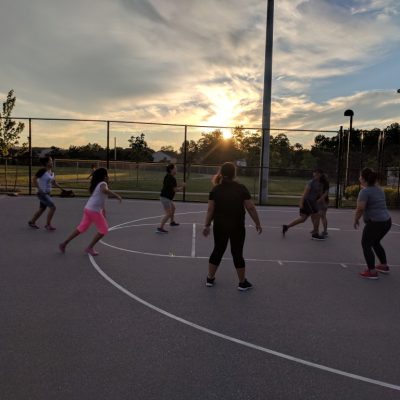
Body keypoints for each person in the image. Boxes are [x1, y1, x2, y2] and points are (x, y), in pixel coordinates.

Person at [202, 162, 262, 291]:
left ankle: (210, 279)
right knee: (237, 253)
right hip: (237, 227)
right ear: (234, 174)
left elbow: (210, 210)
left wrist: (206, 225)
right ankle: (242, 283)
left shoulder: (215, 189)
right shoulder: (241, 188)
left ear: (221, 173)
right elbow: (250, 207)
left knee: (218, 250)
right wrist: (257, 222)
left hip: (220, 226)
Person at [59, 168, 122, 256]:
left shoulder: (98, 184)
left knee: (81, 228)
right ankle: (89, 247)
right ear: (104, 176)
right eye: (107, 175)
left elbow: (100, 198)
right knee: (104, 229)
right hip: (93, 210)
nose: (109, 177)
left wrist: (103, 210)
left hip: (88, 208)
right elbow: (104, 191)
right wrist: (117, 196)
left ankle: (64, 243)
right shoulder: (103, 184)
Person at [354, 168, 391, 279]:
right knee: (375, 242)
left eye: (360, 176)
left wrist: (356, 219)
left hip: (375, 223)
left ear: (363, 178)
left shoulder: (364, 192)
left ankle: (372, 271)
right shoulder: (379, 189)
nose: (359, 178)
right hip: (387, 221)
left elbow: (360, 208)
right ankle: (383, 266)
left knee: (366, 244)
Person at [282, 168, 325, 240]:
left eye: (318, 173)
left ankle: (286, 227)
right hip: (307, 202)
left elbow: (320, 194)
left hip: (312, 203)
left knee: (303, 219)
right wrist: (301, 203)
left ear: (321, 174)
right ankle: (315, 234)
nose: (316, 174)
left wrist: (323, 203)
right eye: (315, 173)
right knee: (317, 215)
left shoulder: (320, 184)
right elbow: (304, 194)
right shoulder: (311, 182)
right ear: (313, 174)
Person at [28, 156, 65, 230]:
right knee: (53, 207)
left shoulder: (51, 172)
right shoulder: (42, 170)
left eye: (52, 161)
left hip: (47, 193)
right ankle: (48, 225)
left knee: (42, 209)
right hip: (42, 193)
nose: (52, 162)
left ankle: (32, 222)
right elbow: (34, 179)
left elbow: (53, 182)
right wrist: (39, 189)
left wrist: (62, 189)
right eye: (50, 161)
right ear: (46, 163)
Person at [156, 164, 185, 233]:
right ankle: (160, 228)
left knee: (173, 208)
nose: (176, 169)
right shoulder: (171, 178)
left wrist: (179, 185)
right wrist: (182, 187)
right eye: (175, 168)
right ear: (171, 170)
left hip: (167, 197)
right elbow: (175, 190)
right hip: (165, 198)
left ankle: (172, 222)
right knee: (168, 213)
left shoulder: (168, 176)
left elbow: (171, 186)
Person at [317, 173, 330, 237]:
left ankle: (322, 231)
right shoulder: (326, 184)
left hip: (322, 201)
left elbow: (322, 194)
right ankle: (324, 231)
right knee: (323, 216)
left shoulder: (321, 184)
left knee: (321, 216)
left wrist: (323, 202)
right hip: (325, 201)